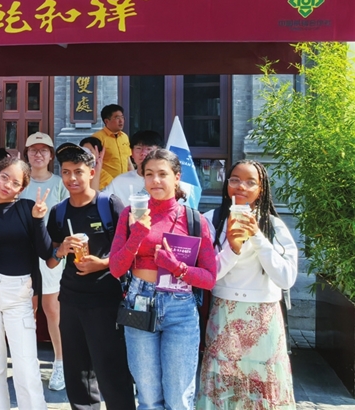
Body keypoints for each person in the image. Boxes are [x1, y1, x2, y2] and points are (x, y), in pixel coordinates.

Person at [109, 149, 217, 410]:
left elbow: (209, 279)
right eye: (149, 174)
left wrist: (176, 267)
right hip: (140, 302)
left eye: (162, 174)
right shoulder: (130, 214)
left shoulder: (194, 220)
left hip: (180, 308)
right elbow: (115, 268)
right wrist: (137, 234)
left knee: (179, 400)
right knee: (148, 398)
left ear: (177, 177)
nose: (155, 180)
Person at [197, 160, 298, 410]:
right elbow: (208, 276)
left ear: (261, 190)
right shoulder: (211, 221)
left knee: (263, 390)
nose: (241, 186)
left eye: (250, 182)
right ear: (226, 184)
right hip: (225, 314)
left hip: (264, 317)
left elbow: (286, 278)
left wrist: (257, 236)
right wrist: (232, 248)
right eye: (234, 180)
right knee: (223, 388)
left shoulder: (273, 226)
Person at [44, 143, 136, 410]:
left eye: (78, 172)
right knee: (77, 374)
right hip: (71, 300)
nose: (72, 178)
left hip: (106, 301)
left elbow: (132, 252)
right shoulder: (58, 212)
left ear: (91, 172)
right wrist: (61, 250)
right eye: (66, 172)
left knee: (111, 371)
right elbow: (50, 261)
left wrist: (102, 264)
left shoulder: (109, 205)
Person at [0, 157, 52, 410]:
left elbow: (45, 252)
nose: (8, 185)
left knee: (26, 366)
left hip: (19, 292)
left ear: (22, 188)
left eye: (16, 183)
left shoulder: (27, 208)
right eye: (4, 177)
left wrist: (39, 220)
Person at [19, 131, 69, 391]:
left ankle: (60, 363)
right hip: (22, 255)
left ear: (51, 156)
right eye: (33, 150)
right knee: (27, 311)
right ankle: (29, 365)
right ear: (26, 154)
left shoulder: (60, 183)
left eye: (44, 150)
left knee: (53, 310)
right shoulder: (19, 182)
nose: (38, 154)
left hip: (51, 255)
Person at [104, 130, 164, 207]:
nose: (143, 153)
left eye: (149, 149)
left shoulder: (166, 181)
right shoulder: (119, 182)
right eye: (139, 148)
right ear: (131, 152)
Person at [91, 104, 132, 180]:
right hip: (106, 183)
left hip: (124, 182)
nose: (121, 121)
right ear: (107, 121)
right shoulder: (97, 138)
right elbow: (93, 164)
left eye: (122, 117)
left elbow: (128, 161)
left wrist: (134, 178)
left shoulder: (124, 137)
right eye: (117, 118)